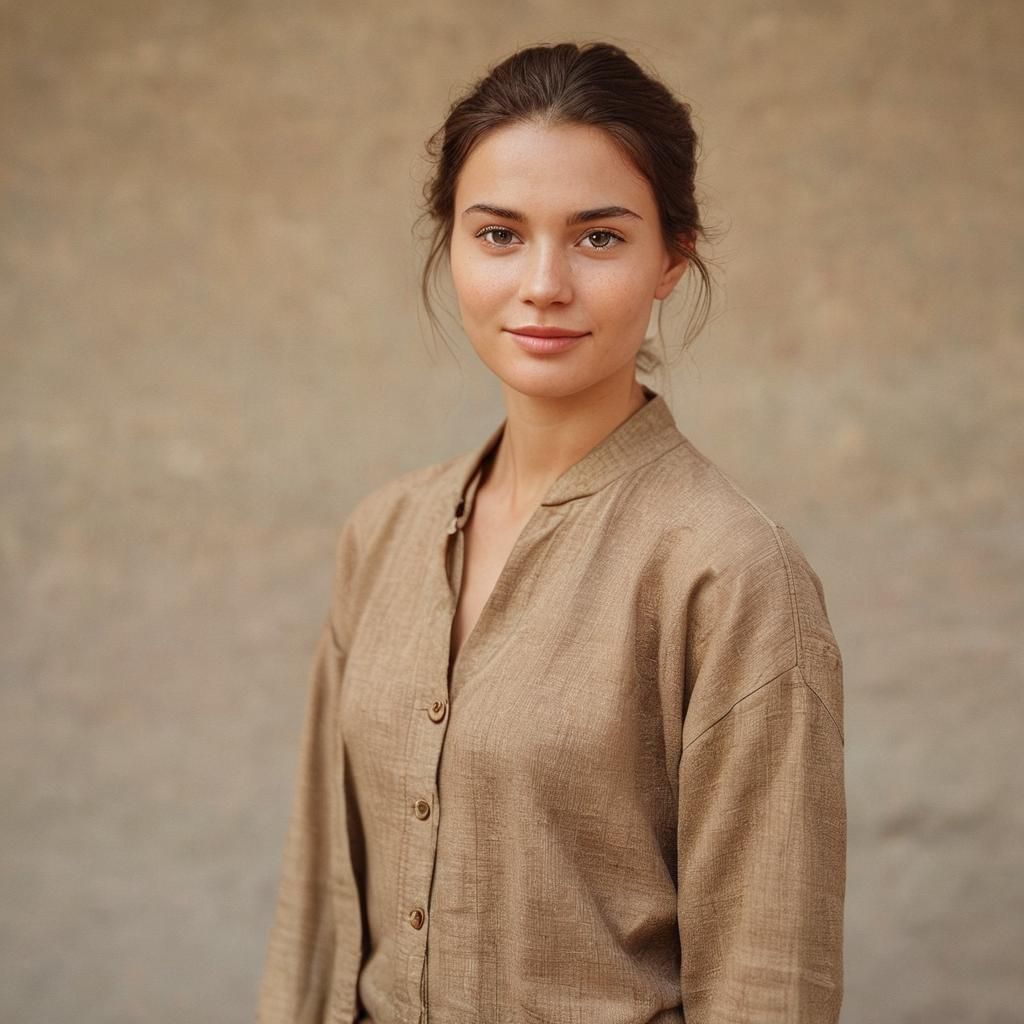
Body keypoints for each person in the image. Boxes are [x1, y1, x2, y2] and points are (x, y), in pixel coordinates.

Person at [257, 41, 846, 1024]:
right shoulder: (384, 534)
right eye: (498, 234)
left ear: (673, 257)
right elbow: (318, 906)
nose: (543, 283)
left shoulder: (730, 572)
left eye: (598, 238)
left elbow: (766, 983)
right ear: (449, 245)